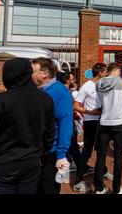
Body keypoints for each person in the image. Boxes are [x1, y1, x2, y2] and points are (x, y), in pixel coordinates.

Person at [0, 58, 55, 194]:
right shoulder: (45, 99)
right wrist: (40, 155)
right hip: (31, 163)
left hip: (2, 165)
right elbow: (49, 134)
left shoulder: (0, 100)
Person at [31, 58, 73, 194]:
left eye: (33, 71)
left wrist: (61, 154)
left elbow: (65, 125)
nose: (29, 74)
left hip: (50, 153)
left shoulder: (61, 92)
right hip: (32, 152)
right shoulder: (33, 90)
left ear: (44, 73)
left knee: (48, 189)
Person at [94, 63, 122, 194]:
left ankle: (99, 188)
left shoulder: (99, 84)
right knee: (118, 157)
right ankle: (117, 189)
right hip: (119, 122)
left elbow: (100, 101)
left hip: (104, 122)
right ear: (117, 70)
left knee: (100, 156)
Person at [73, 63, 113, 194]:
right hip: (91, 123)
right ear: (100, 72)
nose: (107, 74)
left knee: (102, 150)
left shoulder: (104, 85)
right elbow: (76, 106)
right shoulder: (86, 86)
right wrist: (91, 112)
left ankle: (103, 171)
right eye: (105, 71)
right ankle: (78, 181)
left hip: (103, 122)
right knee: (87, 152)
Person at [56, 72, 82, 173]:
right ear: (67, 80)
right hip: (66, 125)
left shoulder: (67, 92)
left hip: (69, 124)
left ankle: (79, 165)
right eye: (72, 79)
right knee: (70, 146)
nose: (74, 81)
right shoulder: (64, 93)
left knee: (73, 146)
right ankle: (79, 167)